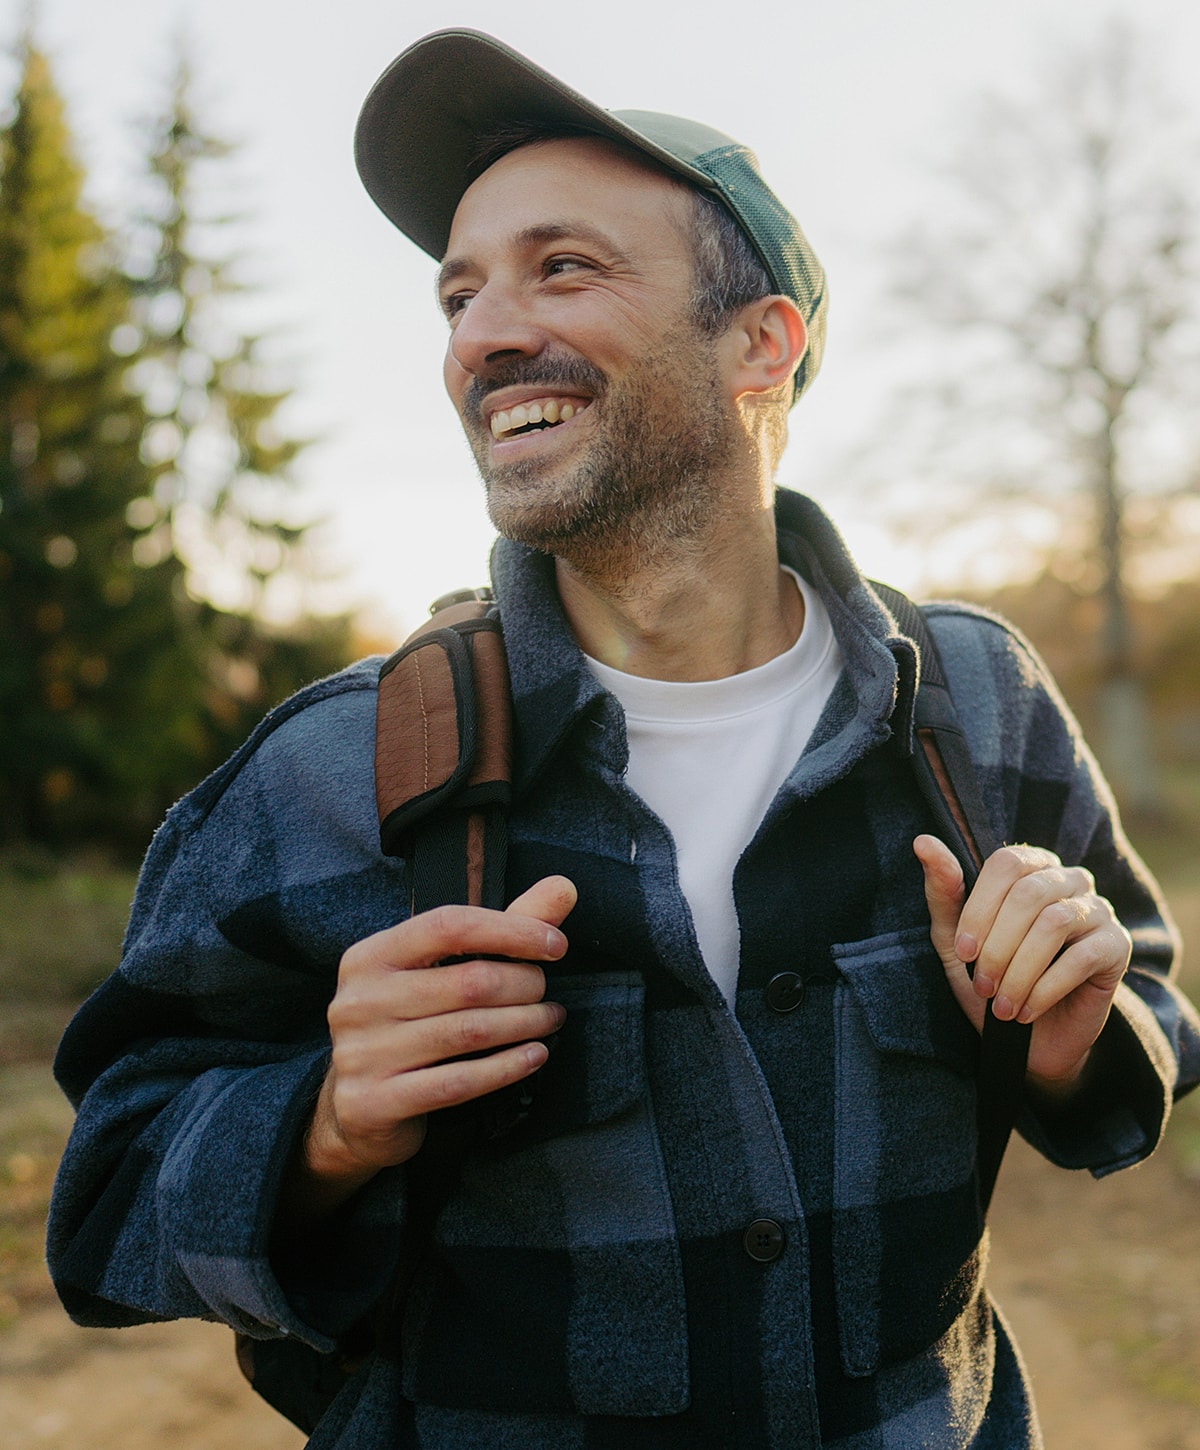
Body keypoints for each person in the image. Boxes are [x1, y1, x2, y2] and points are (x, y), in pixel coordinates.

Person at [48, 29, 1200, 1450]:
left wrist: (1077, 1038)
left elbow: (1146, 1000)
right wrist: (328, 1120)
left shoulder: (974, 700)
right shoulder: (330, 768)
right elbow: (104, 1201)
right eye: (459, 293)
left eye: (564, 267)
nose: (481, 333)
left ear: (758, 341)